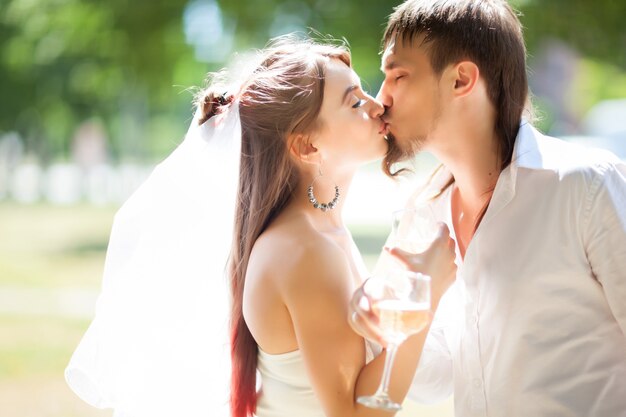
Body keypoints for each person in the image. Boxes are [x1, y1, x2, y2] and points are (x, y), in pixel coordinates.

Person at [65, 35, 457, 417]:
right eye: (354, 102)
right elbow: (354, 414)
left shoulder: (315, 232)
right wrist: (424, 297)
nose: (378, 106)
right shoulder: (305, 249)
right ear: (307, 146)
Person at [351, 1, 626, 416]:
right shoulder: (421, 215)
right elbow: (438, 377)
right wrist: (392, 327)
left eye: (399, 76)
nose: (381, 98)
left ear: (461, 79)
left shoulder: (586, 187)